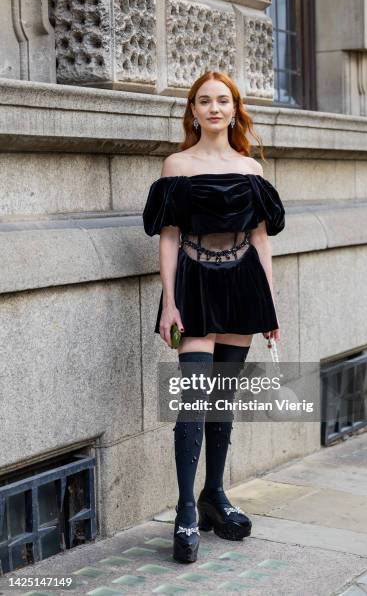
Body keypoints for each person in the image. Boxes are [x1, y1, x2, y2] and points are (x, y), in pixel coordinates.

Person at [142, 71, 285, 563]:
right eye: (205, 101)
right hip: (195, 284)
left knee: (223, 403)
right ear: (193, 110)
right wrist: (170, 301)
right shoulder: (176, 165)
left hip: (243, 285)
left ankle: (215, 496)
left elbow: (262, 240)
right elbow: (168, 237)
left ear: (235, 108)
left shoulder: (251, 169)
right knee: (192, 404)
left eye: (223, 100)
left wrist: (268, 304)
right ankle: (185, 511)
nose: (214, 108)